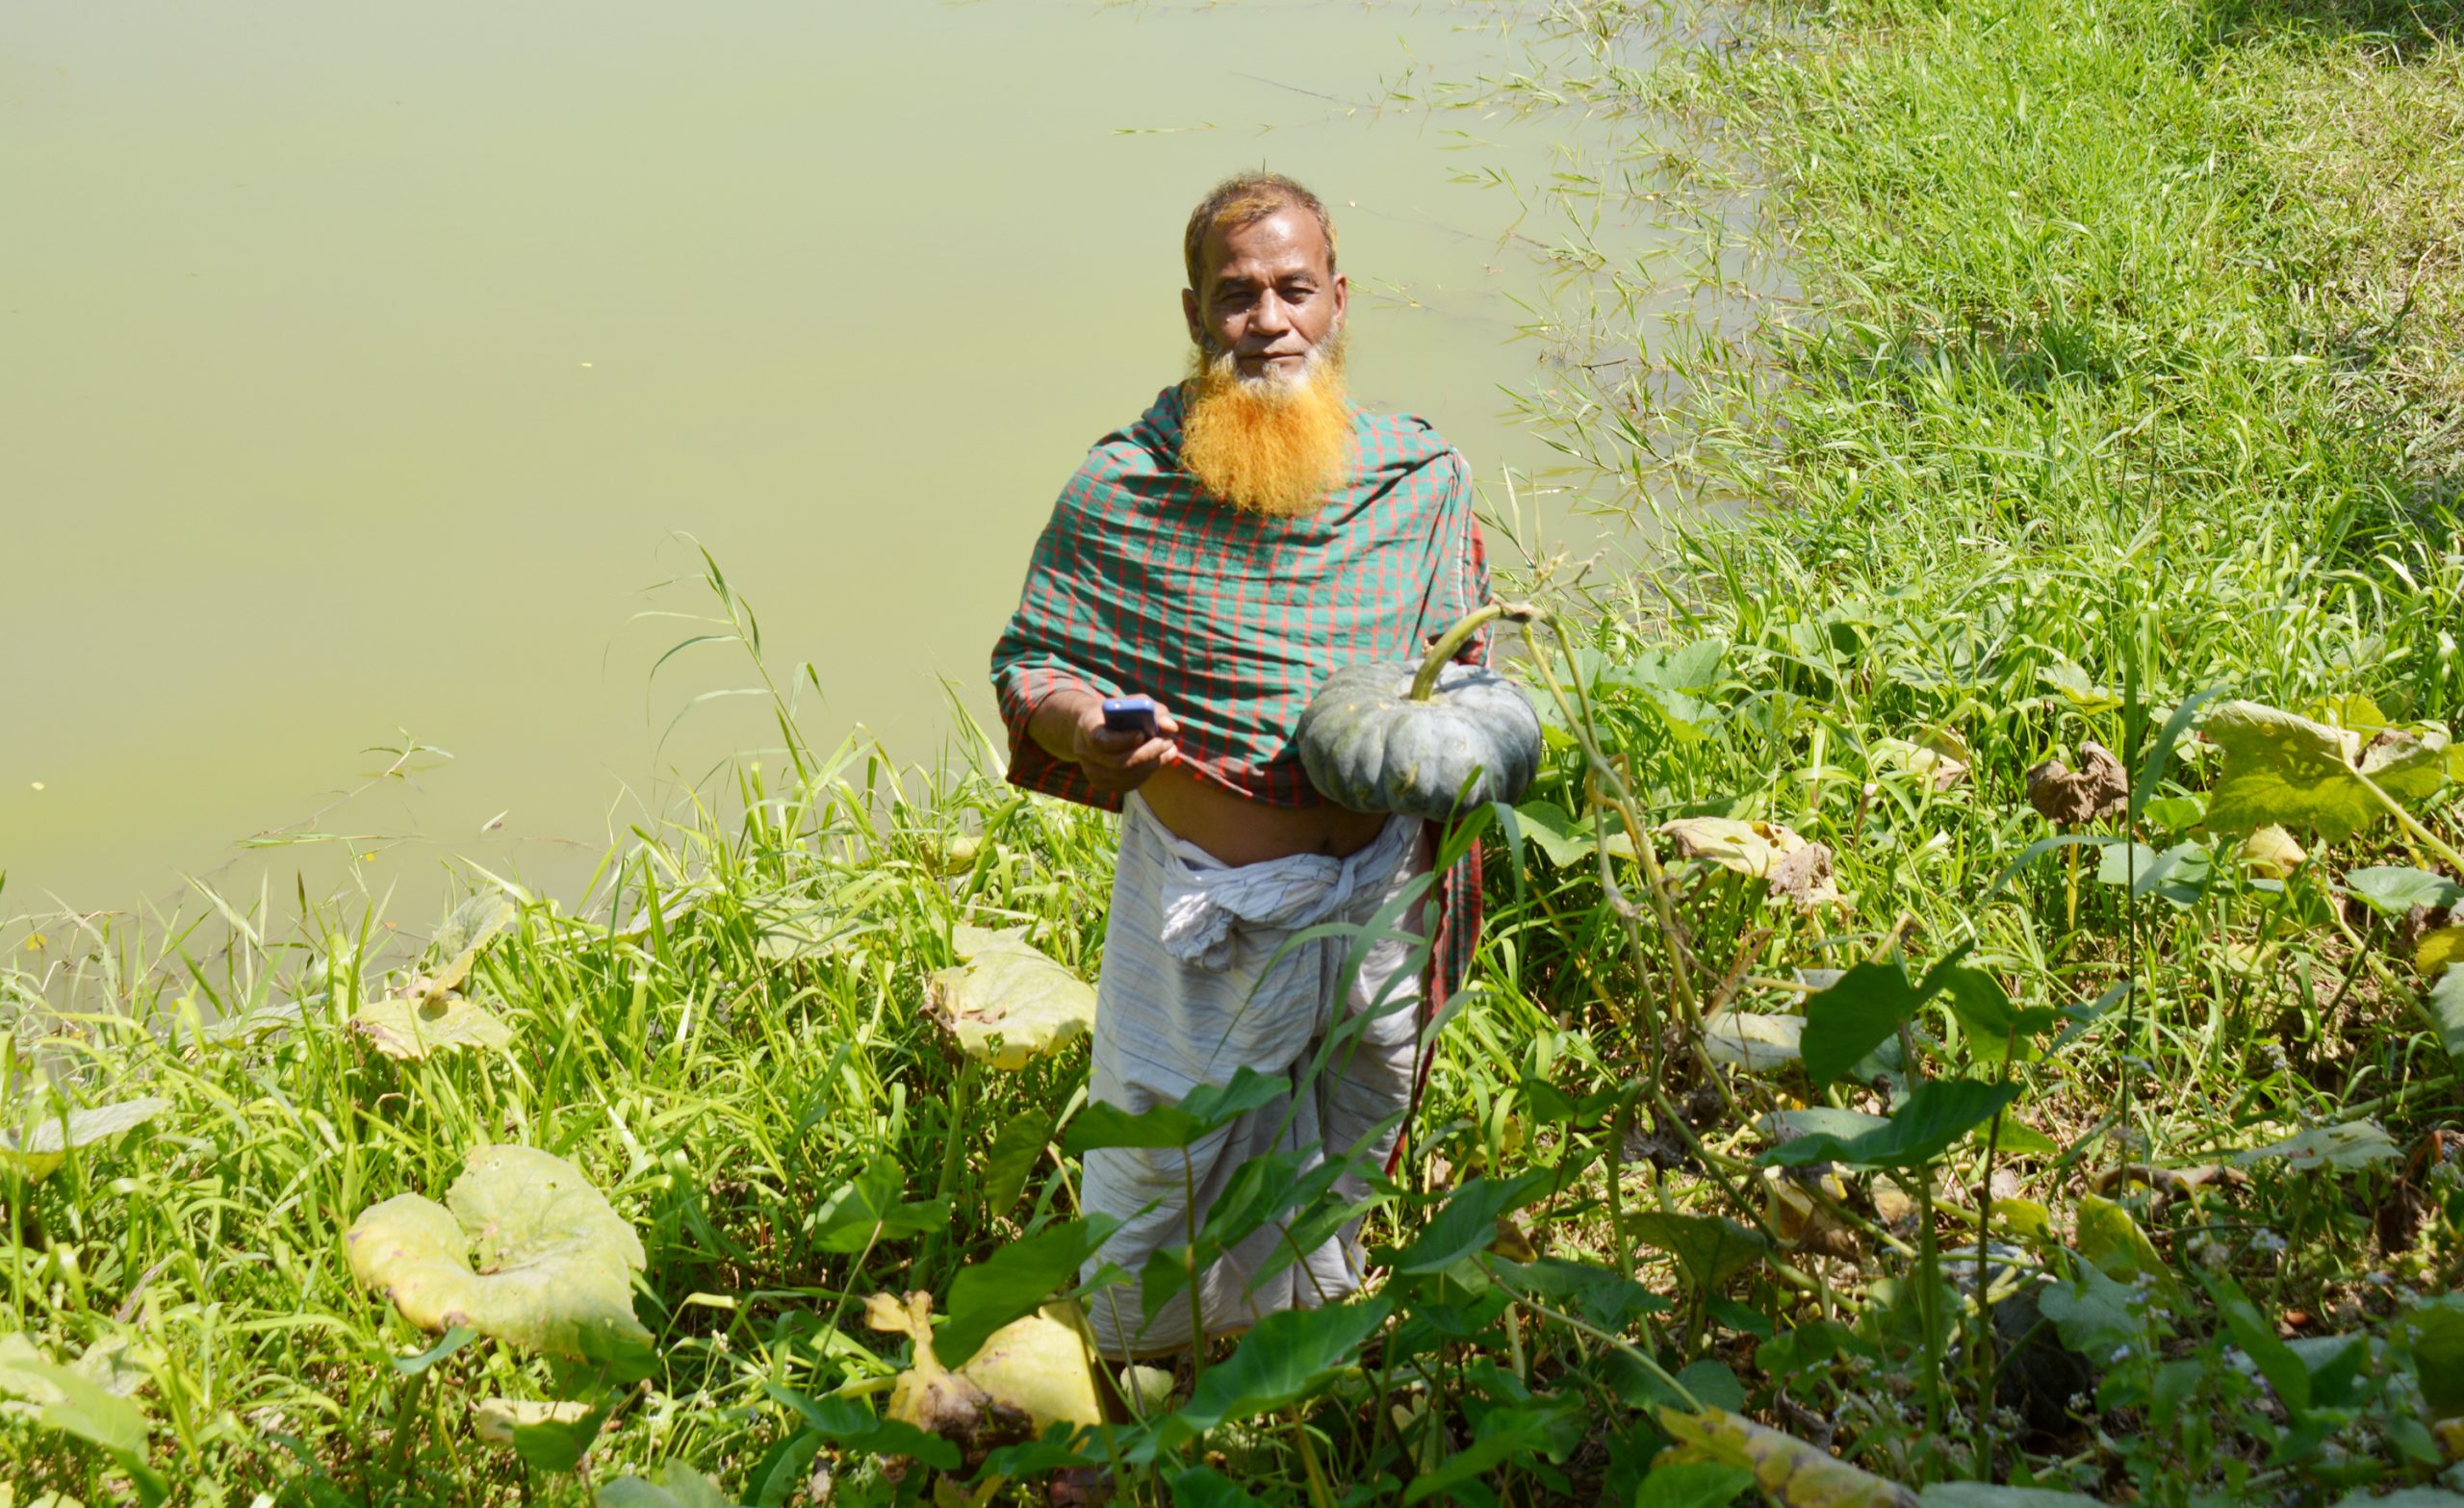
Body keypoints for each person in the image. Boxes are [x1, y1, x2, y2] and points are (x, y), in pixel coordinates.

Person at [988, 171, 1491, 1357]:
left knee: (1342, 1136)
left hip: (1372, 896)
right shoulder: (1125, 490)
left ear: (1336, 300)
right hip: (1203, 914)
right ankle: (1147, 1381)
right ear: (1193, 310)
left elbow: (1464, 661)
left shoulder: (1416, 481)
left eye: (1292, 290)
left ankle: (1298, 1377)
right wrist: (1083, 731)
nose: (1266, 320)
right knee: (1167, 1169)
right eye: (1235, 296)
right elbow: (1033, 664)